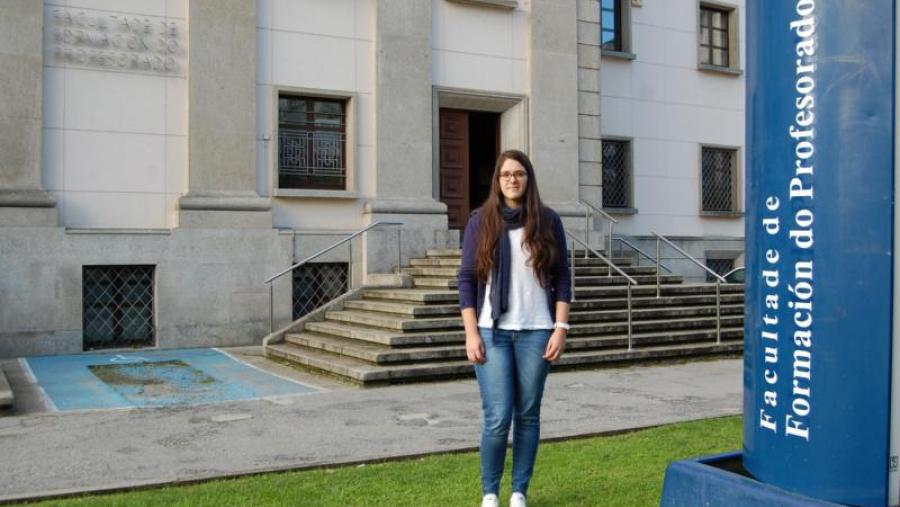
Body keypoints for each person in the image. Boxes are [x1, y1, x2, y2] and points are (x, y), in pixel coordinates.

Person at [458, 149, 572, 507]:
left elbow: (563, 276)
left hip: (537, 330)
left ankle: (519, 491)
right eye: (506, 174)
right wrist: (471, 331)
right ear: (498, 180)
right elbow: (466, 278)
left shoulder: (548, 221)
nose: (512, 179)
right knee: (497, 416)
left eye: (518, 173)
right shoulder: (481, 221)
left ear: (528, 178)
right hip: (492, 330)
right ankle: (490, 492)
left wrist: (560, 328)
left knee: (527, 414)